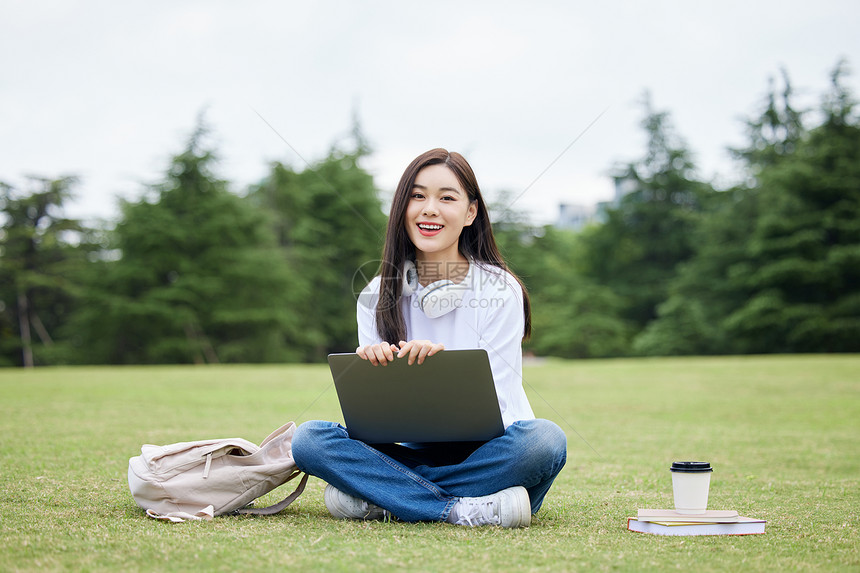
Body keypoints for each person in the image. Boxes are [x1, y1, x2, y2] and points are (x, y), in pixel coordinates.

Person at [292, 148, 567, 528]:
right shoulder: (376, 294)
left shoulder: (501, 290)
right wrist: (377, 373)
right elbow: (374, 421)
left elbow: (501, 402)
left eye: (447, 198)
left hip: (491, 452)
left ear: (471, 212)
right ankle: (463, 509)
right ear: (402, 208)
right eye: (417, 196)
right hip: (409, 449)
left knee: (544, 442)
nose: (429, 209)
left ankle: (386, 498)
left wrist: (442, 366)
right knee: (308, 440)